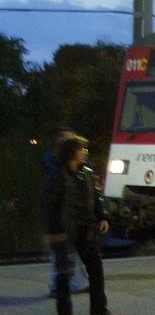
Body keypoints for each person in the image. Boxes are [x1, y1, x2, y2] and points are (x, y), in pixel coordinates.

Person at [44, 134, 117, 315]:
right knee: (64, 273)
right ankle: (65, 313)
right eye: (81, 149)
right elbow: (51, 206)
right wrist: (54, 231)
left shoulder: (88, 173)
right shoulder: (57, 175)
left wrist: (103, 216)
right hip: (65, 229)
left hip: (87, 228)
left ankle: (99, 308)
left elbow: (97, 197)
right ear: (71, 152)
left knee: (96, 269)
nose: (85, 152)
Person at [43, 127, 88, 298]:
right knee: (59, 254)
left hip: (71, 217)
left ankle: (77, 282)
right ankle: (58, 286)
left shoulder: (76, 167)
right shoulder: (53, 163)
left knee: (70, 251)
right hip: (61, 217)